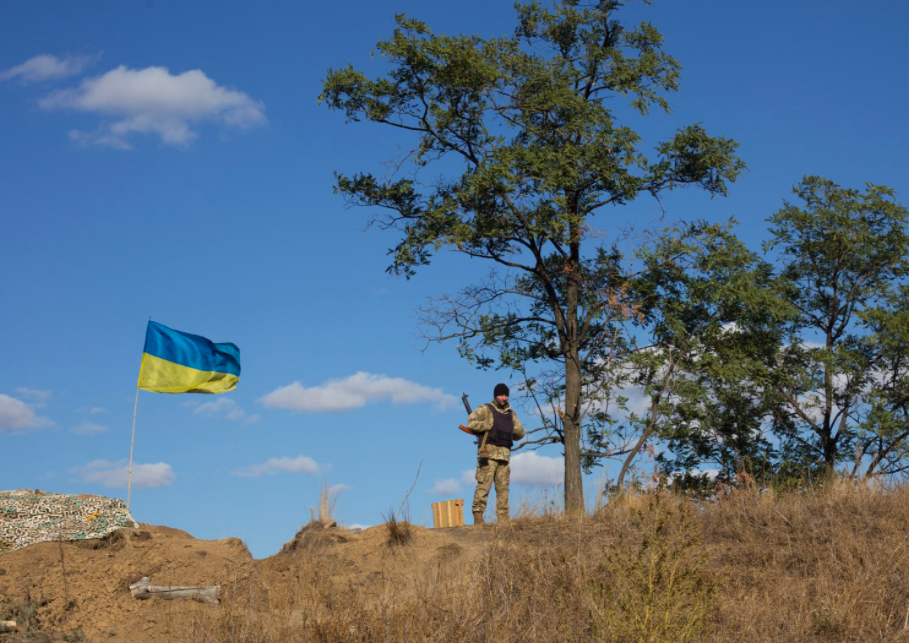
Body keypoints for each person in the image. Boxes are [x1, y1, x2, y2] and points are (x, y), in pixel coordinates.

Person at [468, 383, 524, 524]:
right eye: (501, 395)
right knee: (484, 485)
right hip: (488, 454)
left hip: (504, 457)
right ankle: (478, 516)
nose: (504, 398)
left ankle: (503, 518)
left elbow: (520, 434)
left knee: (503, 488)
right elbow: (471, 423)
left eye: (506, 395)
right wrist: (487, 425)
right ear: (495, 395)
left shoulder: (511, 414)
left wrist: (513, 430)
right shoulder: (485, 409)